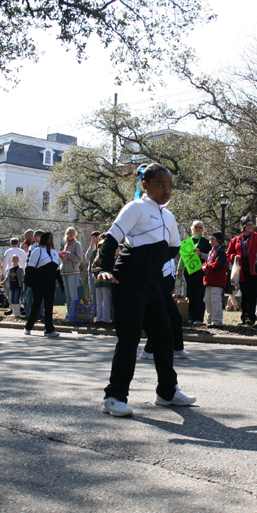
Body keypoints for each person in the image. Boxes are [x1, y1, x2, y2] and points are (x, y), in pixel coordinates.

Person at [97, 163, 195, 417]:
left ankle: (167, 392)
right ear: (144, 185)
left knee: (164, 336)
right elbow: (111, 239)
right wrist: (104, 268)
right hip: (128, 279)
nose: (166, 190)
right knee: (129, 338)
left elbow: (173, 247)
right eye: (160, 185)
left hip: (153, 283)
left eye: (169, 186)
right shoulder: (136, 207)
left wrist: (156, 264)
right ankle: (114, 397)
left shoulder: (169, 216)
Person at [140, 257, 191, 360]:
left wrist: (172, 289)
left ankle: (177, 348)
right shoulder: (160, 250)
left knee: (174, 319)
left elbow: (170, 272)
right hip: (159, 289)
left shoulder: (170, 252)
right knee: (163, 320)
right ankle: (148, 350)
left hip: (166, 290)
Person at [24, 232, 62, 337]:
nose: (51, 240)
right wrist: (34, 282)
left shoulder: (54, 252)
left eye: (52, 239)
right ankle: (28, 326)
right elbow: (31, 267)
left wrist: (61, 284)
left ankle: (49, 329)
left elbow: (57, 270)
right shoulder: (37, 251)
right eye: (49, 238)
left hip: (51, 284)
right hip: (39, 283)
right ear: (44, 239)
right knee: (36, 305)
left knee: (49, 306)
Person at [227, 217, 257, 325]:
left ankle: (251, 317)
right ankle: (244, 317)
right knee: (244, 294)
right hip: (241, 270)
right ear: (244, 226)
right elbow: (228, 254)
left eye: (252, 224)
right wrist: (234, 257)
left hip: (253, 270)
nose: (251, 226)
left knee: (252, 294)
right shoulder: (236, 239)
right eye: (249, 224)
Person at [183, 220, 211, 325]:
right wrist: (179, 269)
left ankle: (199, 318)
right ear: (192, 228)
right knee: (190, 293)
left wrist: (200, 254)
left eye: (200, 227)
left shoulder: (206, 242)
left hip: (200, 271)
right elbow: (183, 257)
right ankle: (190, 316)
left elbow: (210, 256)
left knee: (199, 294)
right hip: (189, 271)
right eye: (196, 227)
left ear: (203, 230)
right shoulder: (187, 242)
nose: (198, 229)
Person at [202, 232, 227, 328]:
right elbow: (207, 262)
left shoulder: (220, 252)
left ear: (218, 240)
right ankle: (210, 319)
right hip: (209, 280)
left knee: (215, 300)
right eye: (210, 239)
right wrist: (204, 266)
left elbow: (218, 265)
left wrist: (206, 267)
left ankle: (217, 321)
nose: (211, 241)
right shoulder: (211, 251)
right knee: (207, 300)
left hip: (217, 280)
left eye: (213, 239)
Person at [59, 227, 83, 322]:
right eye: (69, 233)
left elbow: (79, 258)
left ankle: (72, 316)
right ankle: (69, 314)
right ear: (66, 234)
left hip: (73, 272)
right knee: (68, 295)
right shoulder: (66, 244)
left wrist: (68, 254)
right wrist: (62, 256)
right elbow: (66, 258)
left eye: (73, 233)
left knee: (73, 294)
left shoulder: (77, 244)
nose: (71, 234)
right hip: (65, 271)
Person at [1, 238, 26, 315]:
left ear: (10, 244)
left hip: (11, 273)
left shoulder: (8, 251)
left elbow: (5, 263)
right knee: (18, 293)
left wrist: (3, 273)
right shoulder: (23, 251)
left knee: (10, 293)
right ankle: (17, 308)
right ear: (18, 244)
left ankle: (12, 308)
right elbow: (25, 263)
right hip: (21, 273)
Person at [85, 231, 101, 302]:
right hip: (91, 272)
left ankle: (99, 312)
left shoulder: (101, 247)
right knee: (93, 293)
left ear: (98, 237)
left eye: (93, 238)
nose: (92, 240)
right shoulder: (93, 247)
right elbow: (87, 257)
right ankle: (94, 312)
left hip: (97, 272)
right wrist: (91, 247)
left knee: (98, 293)